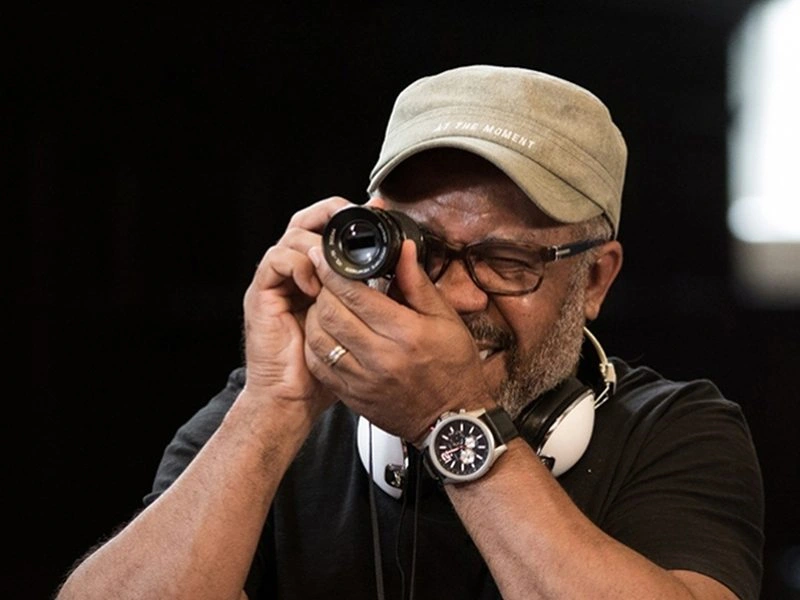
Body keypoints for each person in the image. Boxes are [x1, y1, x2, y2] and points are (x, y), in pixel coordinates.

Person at [56, 65, 763, 600]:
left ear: (596, 280)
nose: (454, 296)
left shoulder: (675, 430)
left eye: (506, 262)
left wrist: (452, 420)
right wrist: (274, 408)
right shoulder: (268, 413)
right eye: (419, 251)